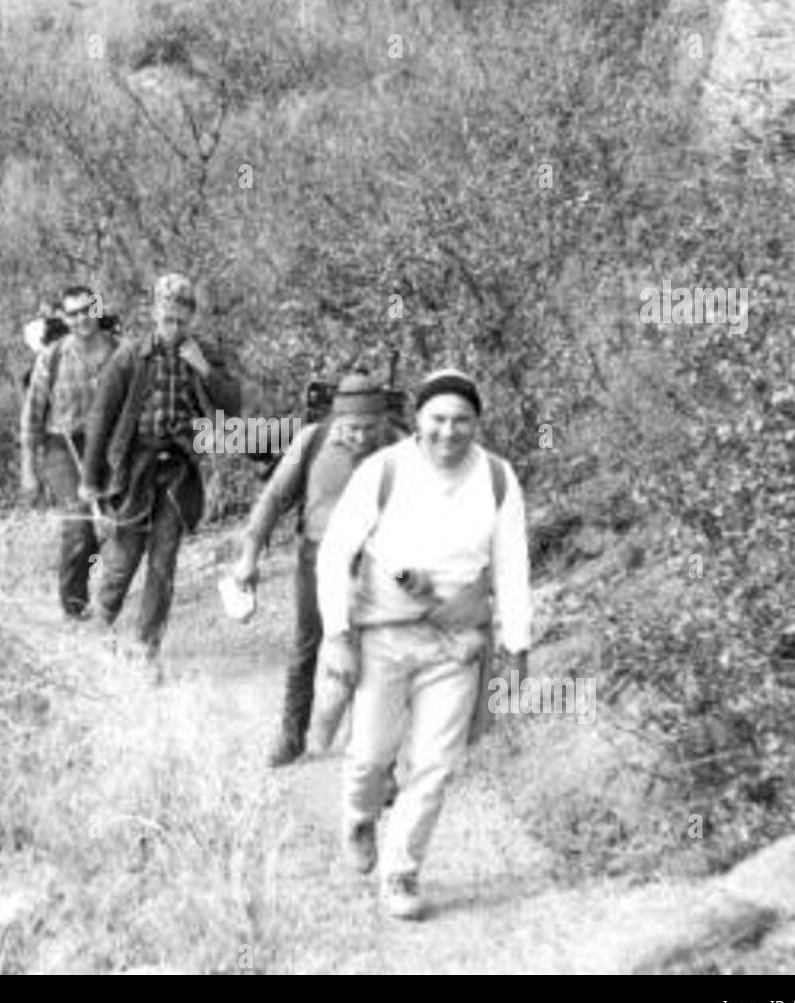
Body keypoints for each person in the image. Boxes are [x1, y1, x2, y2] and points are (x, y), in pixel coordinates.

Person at [315, 369, 532, 921]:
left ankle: (401, 871)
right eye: (438, 418)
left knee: (435, 765)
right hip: (384, 633)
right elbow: (335, 552)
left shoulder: (498, 477)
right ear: (417, 419)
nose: (448, 431)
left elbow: (511, 564)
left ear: (477, 423)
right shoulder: (383, 470)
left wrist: (517, 647)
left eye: (462, 420)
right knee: (369, 757)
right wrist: (336, 634)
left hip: (457, 642)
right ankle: (359, 816)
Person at [79, 272, 242, 681]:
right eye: (168, 319)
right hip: (135, 468)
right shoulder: (130, 356)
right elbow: (101, 417)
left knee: (163, 562)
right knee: (124, 557)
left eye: (182, 321)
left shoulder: (204, 354)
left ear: (192, 319)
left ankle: (146, 649)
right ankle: (97, 630)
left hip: (179, 470)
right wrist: (91, 479)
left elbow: (232, 404)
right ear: (154, 313)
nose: (174, 328)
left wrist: (203, 368)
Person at [232, 373, 395, 767]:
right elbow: (274, 498)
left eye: (370, 428)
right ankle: (291, 738)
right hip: (317, 558)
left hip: (377, 561)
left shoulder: (399, 446)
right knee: (306, 647)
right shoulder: (311, 441)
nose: (362, 437)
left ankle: (367, 748)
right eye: (353, 428)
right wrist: (249, 555)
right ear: (338, 419)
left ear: (382, 421)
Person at [22, 285, 120, 621]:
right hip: (63, 446)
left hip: (108, 446)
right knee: (79, 526)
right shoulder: (52, 357)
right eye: (73, 313)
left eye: (87, 310)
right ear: (64, 318)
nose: (82, 318)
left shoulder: (120, 352)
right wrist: (29, 471)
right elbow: (32, 416)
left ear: (97, 309)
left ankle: (102, 595)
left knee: (113, 525)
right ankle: (74, 607)